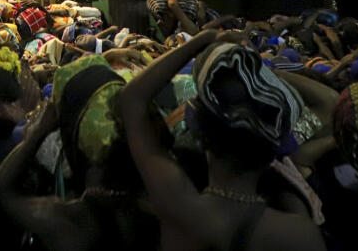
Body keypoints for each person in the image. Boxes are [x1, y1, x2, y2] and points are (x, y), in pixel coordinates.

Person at [120, 31, 326, 251]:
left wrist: (203, 39)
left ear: (200, 134)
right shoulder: (299, 232)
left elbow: (132, 98)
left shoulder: (179, 206)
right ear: (272, 149)